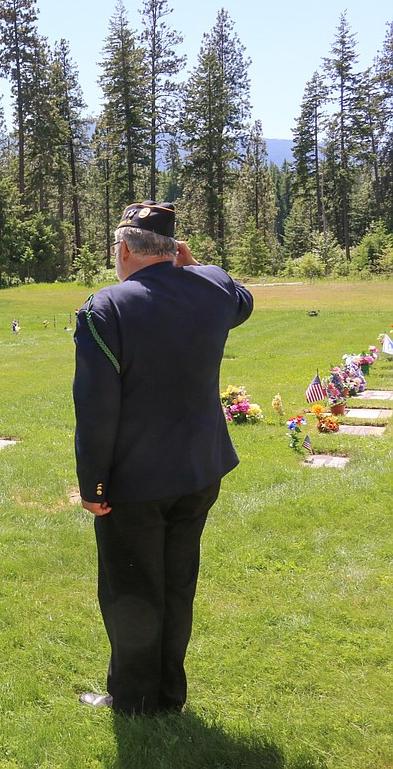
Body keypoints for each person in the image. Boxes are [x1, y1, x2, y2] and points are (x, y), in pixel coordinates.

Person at [73, 201, 254, 716]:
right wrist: (192, 266)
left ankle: (133, 700)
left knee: (131, 591)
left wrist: (94, 486)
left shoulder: (105, 308)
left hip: (135, 481)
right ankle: (169, 696)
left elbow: (96, 407)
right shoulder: (213, 287)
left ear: (124, 249)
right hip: (200, 470)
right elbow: (242, 300)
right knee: (177, 586)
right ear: (173, 248)